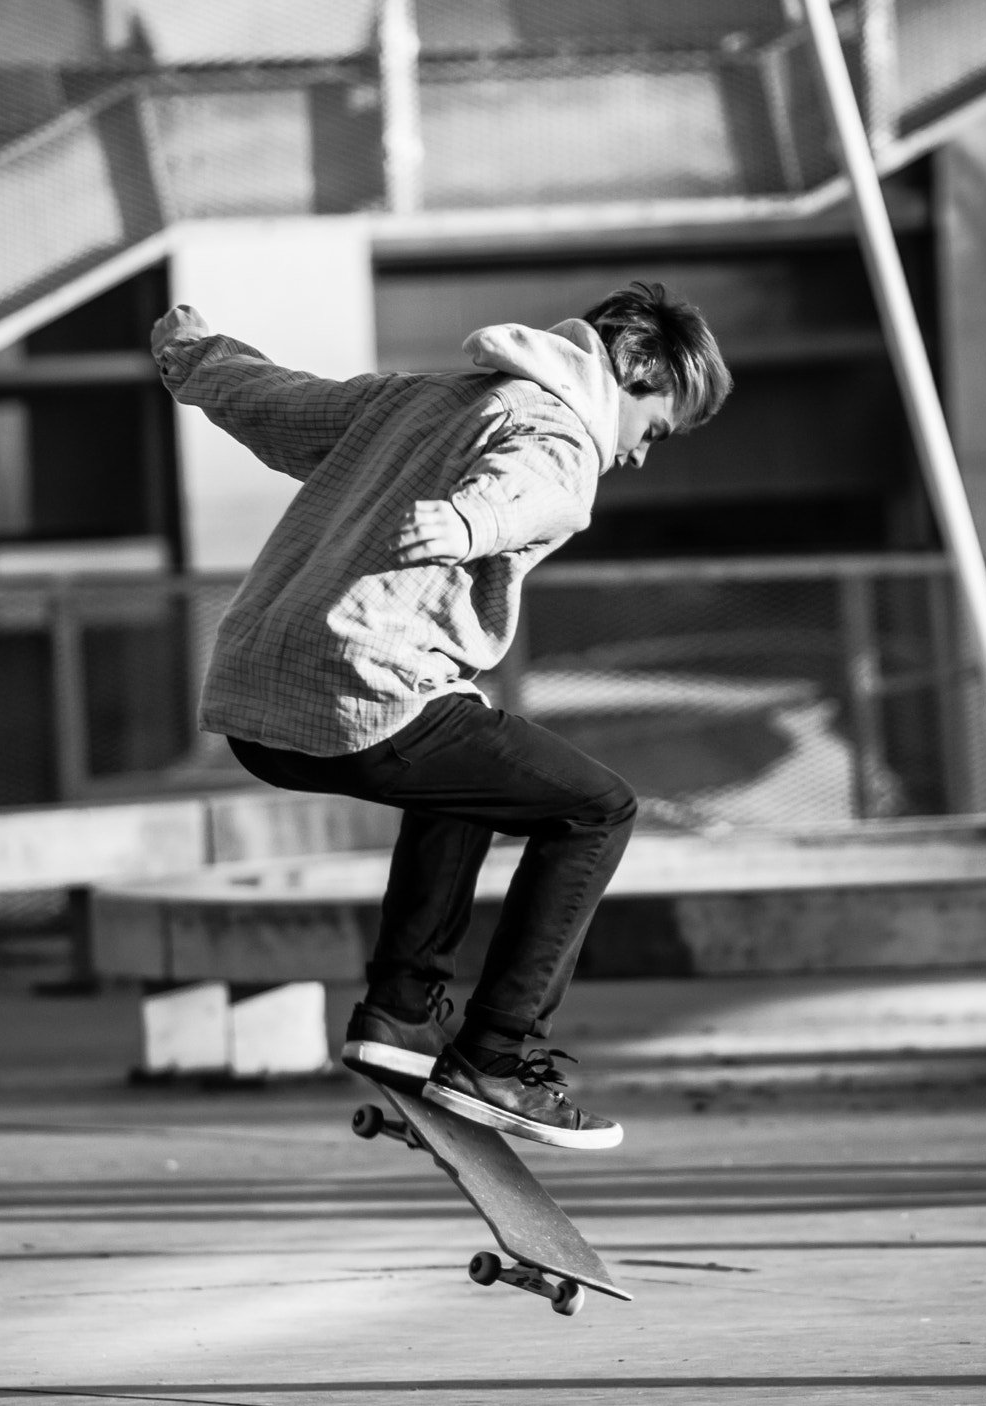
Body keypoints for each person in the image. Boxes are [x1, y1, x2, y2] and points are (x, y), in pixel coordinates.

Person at [152, 281, 730, 1148]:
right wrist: (470, 521)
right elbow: (537, 491)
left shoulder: (422, 397)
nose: (641, 454)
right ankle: (497, 1058)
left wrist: (197, 359)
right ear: (634, 377)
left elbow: (279, 404)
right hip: (357, 691)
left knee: (464, 740)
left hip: (256, 698)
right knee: (597, 810)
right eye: (654, 429)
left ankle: (400, 1010)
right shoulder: (562, 431)